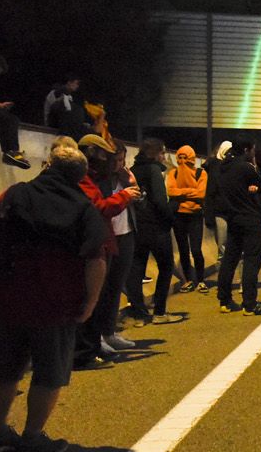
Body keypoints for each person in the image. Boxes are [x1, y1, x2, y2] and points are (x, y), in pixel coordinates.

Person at [0, 138, 107, 452]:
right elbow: (95, 260)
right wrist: (89, 304)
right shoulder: (82, 207)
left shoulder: (15, 194)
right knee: (49, 373)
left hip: (9, 298)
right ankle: (33, 437)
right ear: (79, 176)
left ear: (48, 166)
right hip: (55, 304)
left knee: (5, 369)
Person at [75, 134, 139, 363]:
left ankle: (100, 339)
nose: (116, 163)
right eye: (111, 158)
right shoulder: (86, 179)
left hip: (112, 238)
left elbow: (139, 198)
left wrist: (129, 185)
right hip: (95, 242)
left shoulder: (102, 176)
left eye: (120, 159)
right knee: (94, 296)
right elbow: (98, 207)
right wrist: (123, 196)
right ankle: (89, 348)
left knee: (110, 291)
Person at [126, 138, 176, 324]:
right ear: (155, 153)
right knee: (166, 266)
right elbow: (161, 201)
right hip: (156, 227)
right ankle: (160, 311)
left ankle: (139, 312)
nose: (164, 157)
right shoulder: (154, 170)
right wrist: (171, 216)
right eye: (162, 153)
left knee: (137, 268)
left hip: (138, 226)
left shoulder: (134, 169)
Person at [215, 140, 261, 311]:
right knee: (252, 261)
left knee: (229, 259)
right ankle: (250, 304)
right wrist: (253, 188)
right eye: (252, 149)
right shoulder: (245, 168)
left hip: (232, 218)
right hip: (250, 219)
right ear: (247, 150)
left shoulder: (222, 168)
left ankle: (224, 300)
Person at [166, 145, 209, 292]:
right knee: (183, 249)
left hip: (195, 215)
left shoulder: (201, 173)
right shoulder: (173, 173)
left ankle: (201, 280)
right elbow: (170, 191)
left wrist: (181, 193)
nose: (183, 160)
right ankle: (189, 280)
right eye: (180, 157)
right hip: (179, 214)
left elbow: (201, 194)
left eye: (186, 157)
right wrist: (191, 191)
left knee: (196, 249)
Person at [42, 73, 92, 140]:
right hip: (53, 125)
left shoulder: (68, 97)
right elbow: (58, 111)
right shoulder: (56, 93)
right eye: (76, 83)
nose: (77, 86)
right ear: (69, 82)